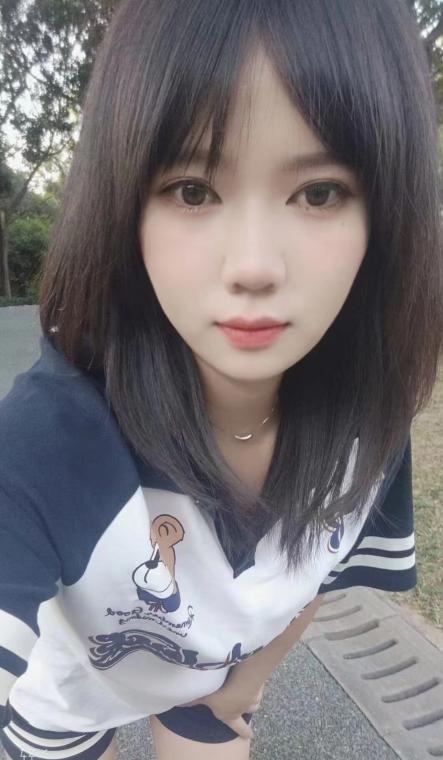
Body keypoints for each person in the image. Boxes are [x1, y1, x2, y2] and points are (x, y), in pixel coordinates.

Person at [0, 1, 441, 759]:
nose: (253, 268)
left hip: (210, 685)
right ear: (124, 209)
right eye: (192, 191)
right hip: (72, 697)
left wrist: (246, 683)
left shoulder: (372, 421)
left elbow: (320, 576)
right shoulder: (44, 444)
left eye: (319, 192)